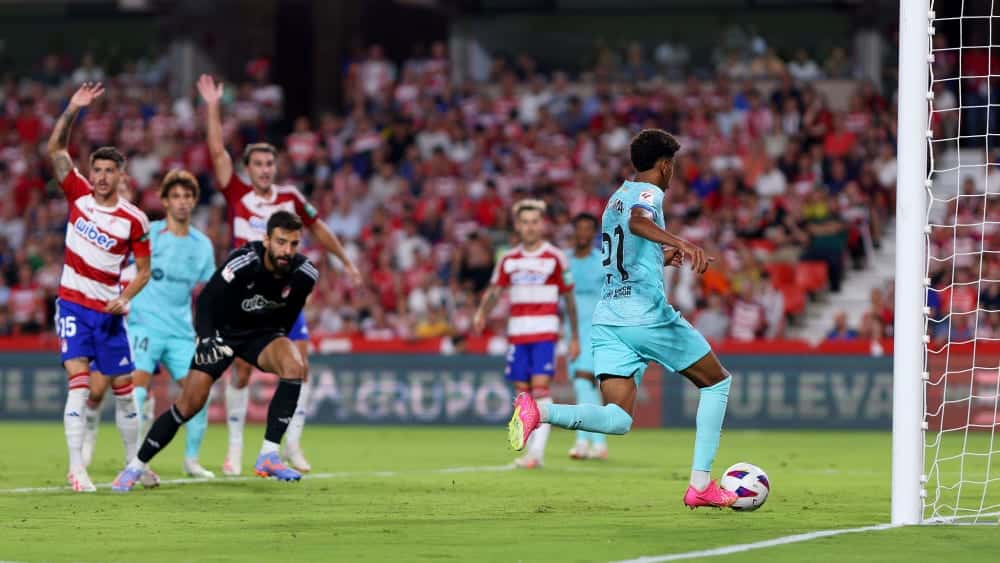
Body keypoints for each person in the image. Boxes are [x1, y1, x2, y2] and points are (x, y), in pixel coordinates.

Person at [507, 129, 738, 508]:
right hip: (644, 315)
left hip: (609, 320)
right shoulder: (649, 193)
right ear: (664, 165)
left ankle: (539, 410)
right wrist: (681, 242)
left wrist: (657, 258)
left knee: (617, 419)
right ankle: (700, 484)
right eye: (672, 166)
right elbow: (638, 223)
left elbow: (625, 250)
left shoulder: (616, 197)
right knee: (717, 383)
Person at [197, 75, 361, 476]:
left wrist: (344, 260)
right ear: (248, 168)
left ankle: (291, 445)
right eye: (258, 164)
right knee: (240, 370)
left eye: (270, 163)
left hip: (282, 295)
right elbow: (217, 151)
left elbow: (318, 228)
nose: (265, 169)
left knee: (299, 363)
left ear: (276, 166)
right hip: (243, 297)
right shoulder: (237, 192)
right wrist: (213, 106)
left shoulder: (290, 197)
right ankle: (235, 449)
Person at [112, 211, 319, 491]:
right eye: (281, 242)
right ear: (267, 240)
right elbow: (207, 298)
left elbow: (289, 314)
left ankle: (269, 454)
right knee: (188, 405)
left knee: (295, 366)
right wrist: (207, 338)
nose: (287, 251)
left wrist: (274, 337)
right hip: (222, 334)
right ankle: (135, 466)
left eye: (293, 244)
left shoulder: (305, 274)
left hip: (261, 336)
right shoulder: (245, 261)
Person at [47, 82, 152, 492]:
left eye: (110, 171)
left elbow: (143, 271)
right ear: (90, 173)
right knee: (78, 382)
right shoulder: (78, 195)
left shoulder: (134, 219)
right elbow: (56, 149)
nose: (102, 177)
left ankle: (132, 465)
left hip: (109, 313)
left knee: (125, 391)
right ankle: (77, 469)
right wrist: (72, 108)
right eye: (98, 170)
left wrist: (125, 298)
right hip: (73, 305)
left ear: (121, 176)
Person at [83, 170, 217, 479]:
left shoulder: (202, 245)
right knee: (137, 393)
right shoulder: (149, 234)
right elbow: (117, 264)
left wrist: (208, 332)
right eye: (176, 196)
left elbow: (211, 293)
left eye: (187, 196)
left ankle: (192, 460)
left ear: (194, 201)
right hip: (144, 326)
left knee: (200, 393)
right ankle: (135, 460)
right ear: (165, 201)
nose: (182, 202)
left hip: (181, 332)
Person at [473, 199, 580, 469]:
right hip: (518, 334)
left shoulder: (555, 257)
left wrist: (575, 336)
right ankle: (529, 451)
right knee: (522, 394)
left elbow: (569, 299)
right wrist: (482, 312)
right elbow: (495, 291)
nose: (530, 227)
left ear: (542, 225)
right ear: (518, 226)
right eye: (525, 222)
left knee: (541, 390)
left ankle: (536, 453)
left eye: (534, 222)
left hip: (544, 333)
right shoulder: (508, 259)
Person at [565, 213, 609, 461]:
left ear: (594, 233)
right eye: (579, 228)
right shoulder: (564, 261)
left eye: (587, 229)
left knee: (584, 383)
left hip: (596, 330)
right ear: (574, 231)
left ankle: (583, 441)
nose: (583, 233)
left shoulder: (603, 260)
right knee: (586, 386)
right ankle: (599, 443)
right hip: (571, 330)